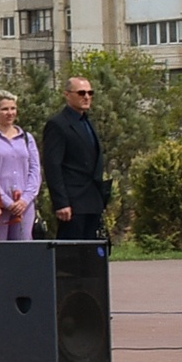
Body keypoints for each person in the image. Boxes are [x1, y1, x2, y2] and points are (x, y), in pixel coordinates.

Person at [44, 76, 110, 242]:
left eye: (90, 93)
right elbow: (53, 166)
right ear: (67, 94)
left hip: (92, 200)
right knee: (70, 255)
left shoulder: (87, 122)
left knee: (90, 254)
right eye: (81, 93)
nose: (87, 97)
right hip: (73, 202)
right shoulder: (58, 124)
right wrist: (61, 202)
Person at [0, 91, 42, 241]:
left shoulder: (26, 138)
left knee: (23, 251)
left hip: (24, 206)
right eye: (5, 109)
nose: (10, 113)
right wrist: (6, 202)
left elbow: (35, 170)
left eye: (13, 108)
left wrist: (25, 199)